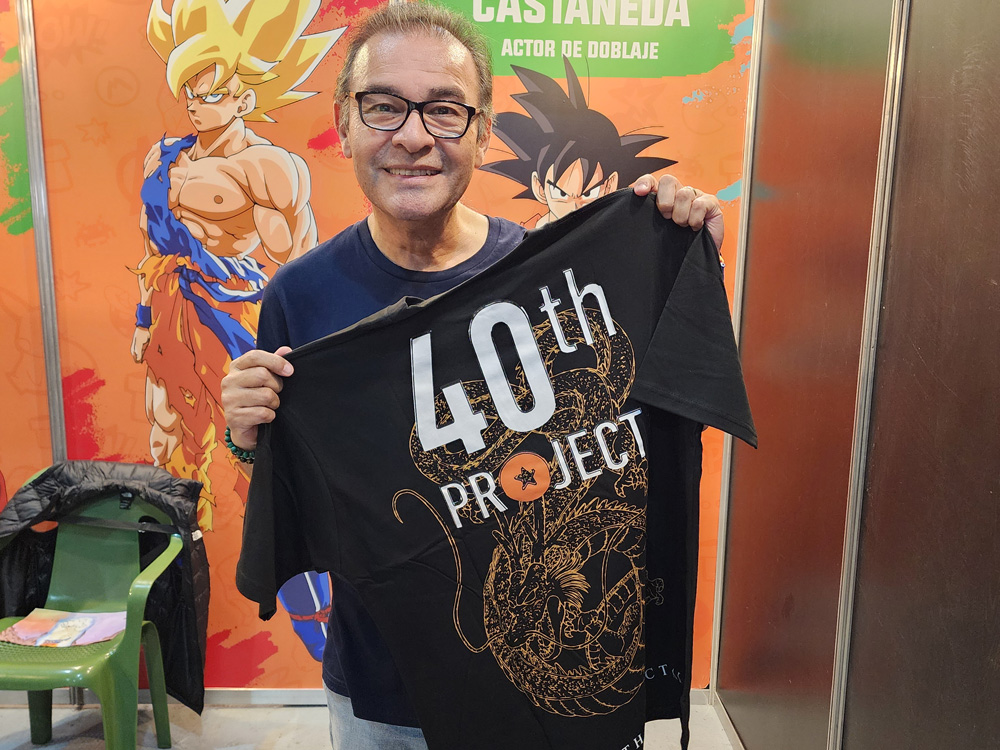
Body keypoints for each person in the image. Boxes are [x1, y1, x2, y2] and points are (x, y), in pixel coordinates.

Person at [221, 3, 724, 748]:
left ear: (482, 133)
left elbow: (646, 421)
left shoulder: (551, 281)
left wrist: (679, 254)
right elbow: (289, 485)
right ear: (345, 124)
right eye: (383, 106)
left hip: (542, 691)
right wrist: (244, 436)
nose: (413, 136)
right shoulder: (301, 296)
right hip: (384, 690)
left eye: (445, 110)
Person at [135, 0, 341, 530]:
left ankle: (287, 560)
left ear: (243, 98)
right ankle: (180, 557)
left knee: (262, 442)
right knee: (169, 435)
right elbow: (153, 249)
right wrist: (143, 319)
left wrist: (309, 343)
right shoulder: (164, 159)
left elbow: (301, 259)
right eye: (190, 93)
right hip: (171, 306)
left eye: (212, 93)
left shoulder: (267, 167)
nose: (197, 105)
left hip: (236, 311)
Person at [481, 55, 677, 227]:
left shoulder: (619, 236)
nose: (574, 207)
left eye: (588, 194)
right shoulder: (520, 242)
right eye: (561, 194)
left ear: (610, 185)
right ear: (539, 188)